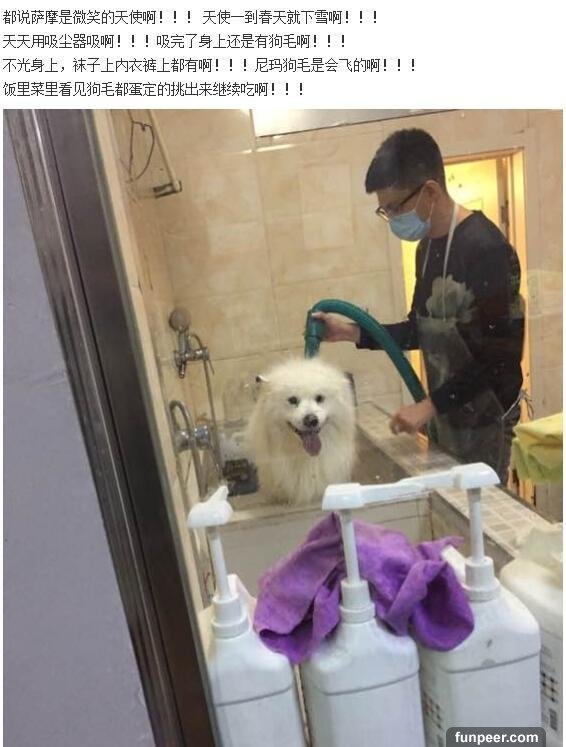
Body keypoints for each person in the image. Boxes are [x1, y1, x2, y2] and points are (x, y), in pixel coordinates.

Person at [313, 128, 525, 483]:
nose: (392, 217)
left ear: (430, 191)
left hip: (487, 420)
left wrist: (428, 406)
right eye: (385, 210)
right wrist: (351, 332)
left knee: (480, 509)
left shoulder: (486, 249)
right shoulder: (426, 249)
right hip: (450, 414)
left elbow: (499, 357)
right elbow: (419, 329)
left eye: (395, 207)